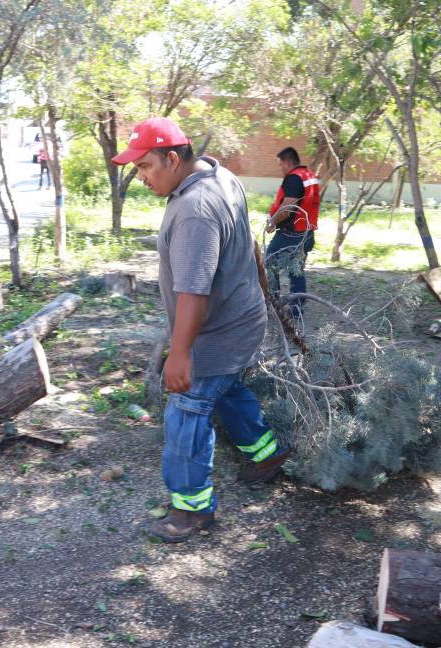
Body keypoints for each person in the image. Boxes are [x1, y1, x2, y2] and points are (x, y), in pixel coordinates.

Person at [111, 117, 290, 543]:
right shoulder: (220, 175)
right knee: (225, 389)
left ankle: (192, 508)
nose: (141, 177)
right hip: (242, 317)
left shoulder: (194, 209)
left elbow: (194, 291)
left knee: (186, 413)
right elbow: (248, 244)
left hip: (218, 331)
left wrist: (180, 353)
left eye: (146, 166)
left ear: (173, 159)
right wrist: (263, 292)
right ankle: (266, 454)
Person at [265, 147, 320, 316]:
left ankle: (273, 302)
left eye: (280, 164)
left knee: (269, 262)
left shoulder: (294, 178)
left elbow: (287, 208)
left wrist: (272, 223)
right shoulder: (309, 175)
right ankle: (296, 308)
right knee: (296, 270)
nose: (280, 168)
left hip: (291, 234)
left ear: (288, 163)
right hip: (307, 233)